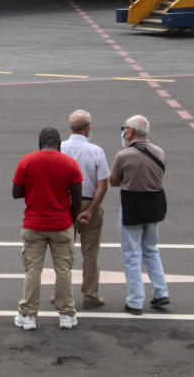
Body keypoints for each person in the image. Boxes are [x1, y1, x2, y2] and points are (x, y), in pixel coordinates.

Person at [12, 127, 83, 331]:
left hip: (34, 224)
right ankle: (67, 315)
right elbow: (76, 198)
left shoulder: (27, 161)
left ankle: (28, 315)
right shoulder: (70, 164)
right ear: (59, 144)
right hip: (61, 224)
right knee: (63, 270)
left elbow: (16, 192)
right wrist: (71, 219)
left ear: (39, 143)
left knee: (33, 270)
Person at [110, 114, 170, 316]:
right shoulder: (159, 152)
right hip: (155, 205)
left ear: (130, 132)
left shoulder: (124, 155)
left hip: (133, 205)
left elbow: (114, 180)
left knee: (131, 255)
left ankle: (135, 300)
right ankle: (161, 291)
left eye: (124, 128)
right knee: (151, 249)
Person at [60, 110, 109, 309]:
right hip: (89, 202)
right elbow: (103, 185)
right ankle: (90, 295)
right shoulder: (96, 151)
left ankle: (60, 294)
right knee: (90, 253)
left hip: (65, 204)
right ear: (88, 129)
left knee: (63, 252)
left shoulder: (60, 148)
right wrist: (91, 210)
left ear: (71, 128)